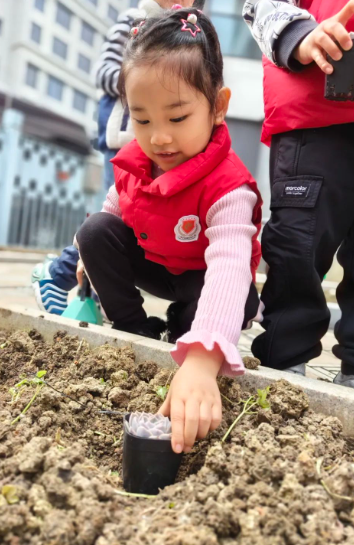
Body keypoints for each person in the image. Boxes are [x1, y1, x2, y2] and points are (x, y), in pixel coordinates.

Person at [76, 7, 264, 454]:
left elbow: (231, 266)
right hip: (155, 265)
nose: (159, 137)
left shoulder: (228, 186)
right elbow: (113, 210)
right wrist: (86, 263)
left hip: (203, 278)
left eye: (177, 118)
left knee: (234, 298)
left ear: (218, 107)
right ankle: (134, 328)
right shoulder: (136, 162)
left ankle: (185, 331)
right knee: (93, 232)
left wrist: (201, 360)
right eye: (142, 120)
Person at [30, 0, 193, 316]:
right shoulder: (134, 19)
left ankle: (90, 288)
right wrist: (144, 83)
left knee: (134, 221)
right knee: (112, 217)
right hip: (123, 140)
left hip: (157, 144)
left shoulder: (187, 30)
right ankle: (58, 274)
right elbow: (103, 70)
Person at [243, 0, 354, 388]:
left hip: (314, 107)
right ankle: (283, 367)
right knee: (297, 245)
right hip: (314, 107)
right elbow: (261, 6)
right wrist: (303, 36)